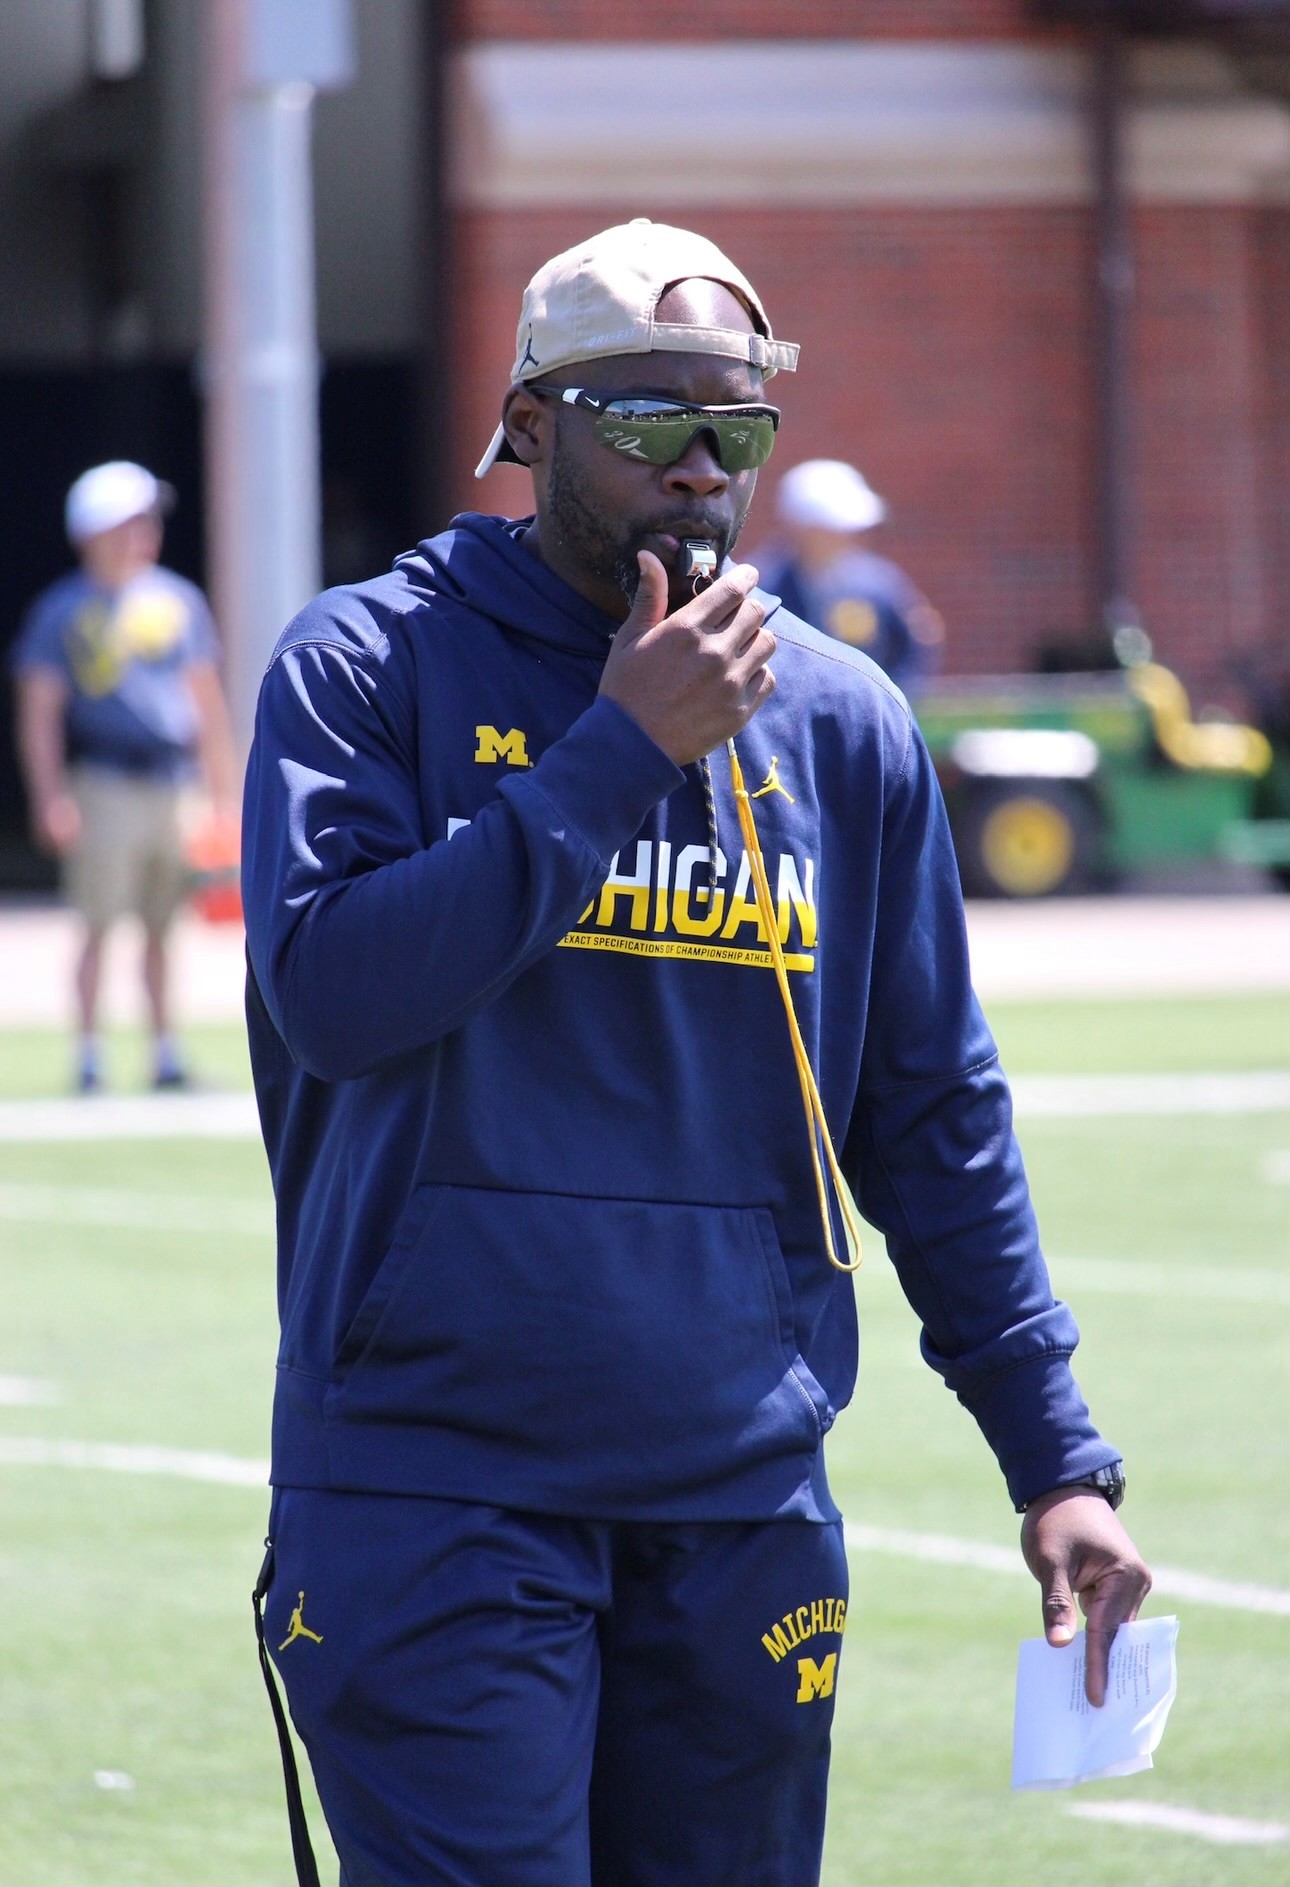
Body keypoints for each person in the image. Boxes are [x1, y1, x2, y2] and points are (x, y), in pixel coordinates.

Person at [241, 219, 1150, 1887]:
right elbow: (335, 992)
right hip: (437, 1488)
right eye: (650, 420)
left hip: (741, 1499)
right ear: (531, 424)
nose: (700, 467)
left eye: (735, 425)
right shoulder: (370, 663)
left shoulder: (839, 717)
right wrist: (615, 755)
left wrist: (1054, 1454)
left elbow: (931, 1110)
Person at [12, 461, 237, 1092]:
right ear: (92, 530)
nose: (143, 535)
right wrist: (50, 794)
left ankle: (165, 1050)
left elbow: (205, 703)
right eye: (128, 522)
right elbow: (40, 710)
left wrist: (221, 796)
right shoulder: (61, 611)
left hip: (172, 779)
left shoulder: (178, 601)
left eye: (146, 523)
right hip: (104, 780)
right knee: (97, 922)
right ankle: (88, 1054)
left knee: (164, 926)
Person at [755, 457, 945, 693]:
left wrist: (889, 705)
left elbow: (911, 648)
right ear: (801, 528)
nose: (847, 537)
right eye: (830, 529)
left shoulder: (878, 585)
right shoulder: (760, 587)